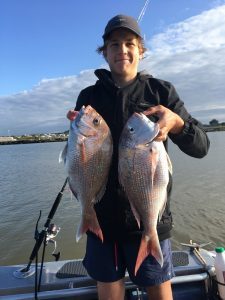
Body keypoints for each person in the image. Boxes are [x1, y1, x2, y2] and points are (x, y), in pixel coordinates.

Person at [67, 14, 210, 300]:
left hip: (150, 217)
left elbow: (201, 146)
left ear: (141, 51)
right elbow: (82, 157)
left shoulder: (161, 91)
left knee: (158, 287)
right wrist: (74, 132)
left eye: (130, 43)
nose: (122, 50)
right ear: (104, 52)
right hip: (101, 219)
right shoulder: (89, 95)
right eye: (115, 44)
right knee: (108, 289)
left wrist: (178, 124)